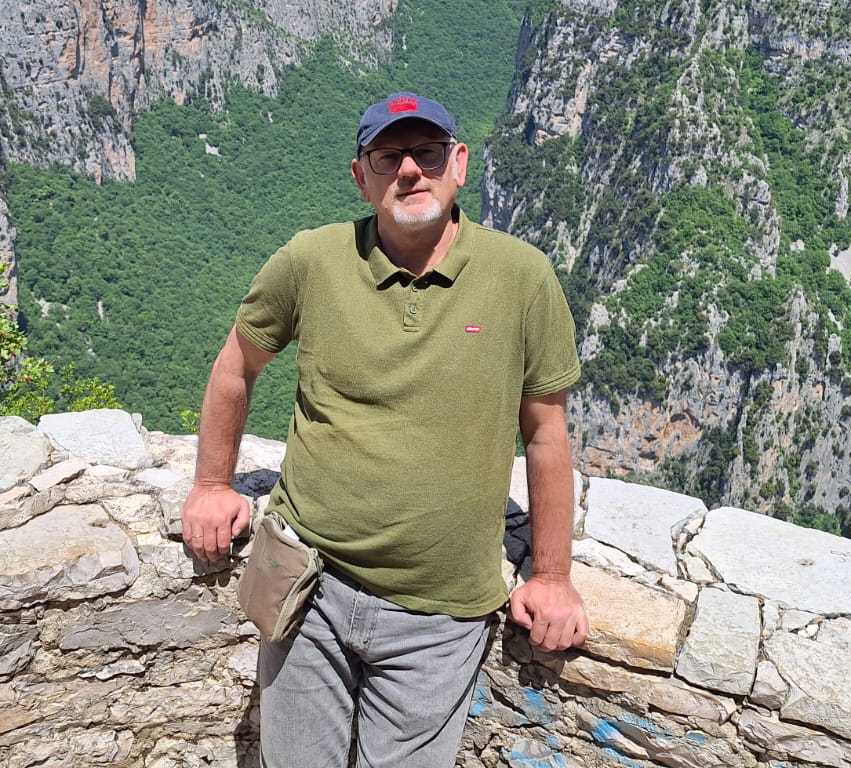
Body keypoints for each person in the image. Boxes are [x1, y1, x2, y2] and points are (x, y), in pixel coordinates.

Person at [181, 91, 588, 768]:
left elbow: (546, 432)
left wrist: (550, 575)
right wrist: (210, 483)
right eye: (388, 155)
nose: (409, 170)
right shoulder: (311, 260)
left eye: (426, 152)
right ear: (360, 176)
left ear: (459, 163)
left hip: (441, 616)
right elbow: (235, 367)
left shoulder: (522, 278)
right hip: (307, 587)